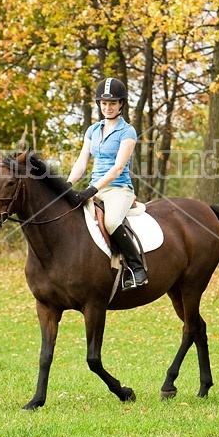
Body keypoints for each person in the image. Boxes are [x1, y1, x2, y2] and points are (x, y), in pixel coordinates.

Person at [67, 77, 148, 290]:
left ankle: (137, 268)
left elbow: (118, 168)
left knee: (111, 222)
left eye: (112, 103)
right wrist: (68, 184)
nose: (108, 107)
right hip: (95, 188)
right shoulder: (93, 130)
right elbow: (82, 162)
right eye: (104, 103)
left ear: (121, 104)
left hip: (118, 189)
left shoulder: (127, 131)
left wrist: (93, 189)